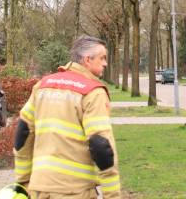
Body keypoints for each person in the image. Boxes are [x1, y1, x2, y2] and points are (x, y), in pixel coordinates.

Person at [14, 35, 120, 198]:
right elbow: (101, 147)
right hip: (74, 191)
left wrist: (23, 182)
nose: (105, 63)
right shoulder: (93, 92)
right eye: (102, 58)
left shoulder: (42, 86)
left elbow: (23, 133)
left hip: (38, 189)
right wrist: (112, 195)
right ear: (87, 60)